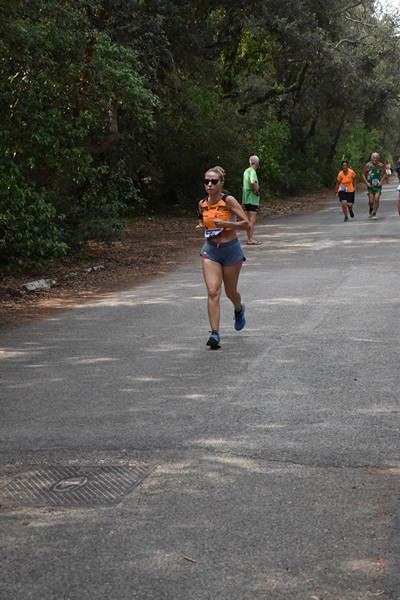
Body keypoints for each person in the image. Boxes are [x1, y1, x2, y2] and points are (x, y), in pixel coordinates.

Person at [197, 166, 249, 349]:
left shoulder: (229, 200)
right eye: (206, 181)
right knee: (213, 291)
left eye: (213, 181)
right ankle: (215, 333)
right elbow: (203, 220)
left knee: (230, 292)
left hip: (230, 250)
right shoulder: (202, 203)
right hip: (211, 250)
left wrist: (226, 223)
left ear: (221, 183)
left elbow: (246, 223)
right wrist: (201, 226)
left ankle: (238, 308)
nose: (209, 185)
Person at [242, 155, 261, 245]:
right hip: (252, 198)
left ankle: (249, 238)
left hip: (246, 197)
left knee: (248, 219)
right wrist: (257, 191)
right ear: (257, 163)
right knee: (252, 219)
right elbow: (252, 182)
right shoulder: (252, 171)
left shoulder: (246, 171)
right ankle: (250, 239)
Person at [361, 152, 386, 220]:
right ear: (371, 158)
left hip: (377, 186)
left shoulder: (381, 165)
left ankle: (374, 213)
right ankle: (371, 208)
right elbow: (363, 174)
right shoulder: (368, 165)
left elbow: (384, 174)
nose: (375, 159)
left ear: (378, 159)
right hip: (370, 186)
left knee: (376, 199)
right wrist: (367, 183)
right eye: (374, 158)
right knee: (371, 201)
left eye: (376, 158)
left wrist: (381, 182)